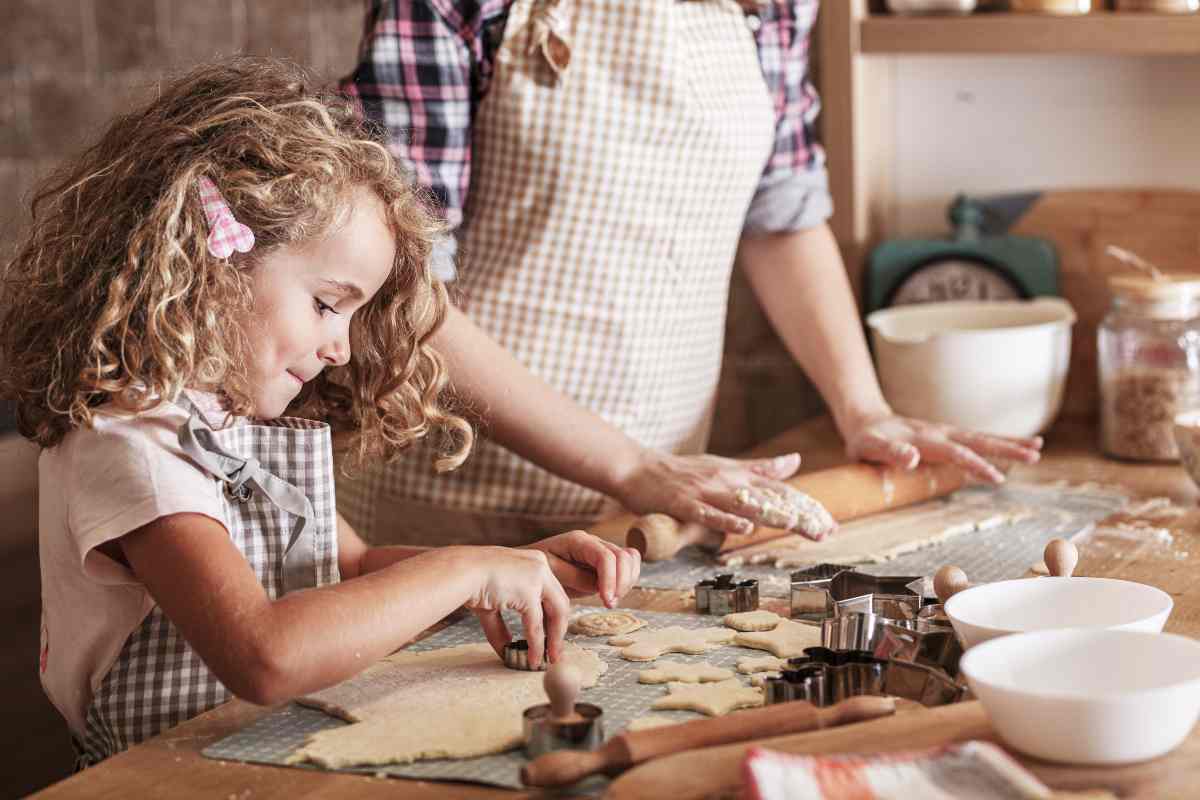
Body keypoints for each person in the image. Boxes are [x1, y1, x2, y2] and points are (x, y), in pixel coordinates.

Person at [0, 58, 639, 768]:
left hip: (264, 756)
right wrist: (464, 571)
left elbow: (355, 564)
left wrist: (516, 567)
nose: (340, 348)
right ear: (210, 259)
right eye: (328, 305)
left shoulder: (229, 421)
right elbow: (263, 655)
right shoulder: (131, 442)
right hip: (166, 777)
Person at [336, 0, 1044, 547]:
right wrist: (627, 465)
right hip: (449, 500)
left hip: (662, 504)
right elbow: (397, 285)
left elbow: (783, 213)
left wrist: (865, 411)